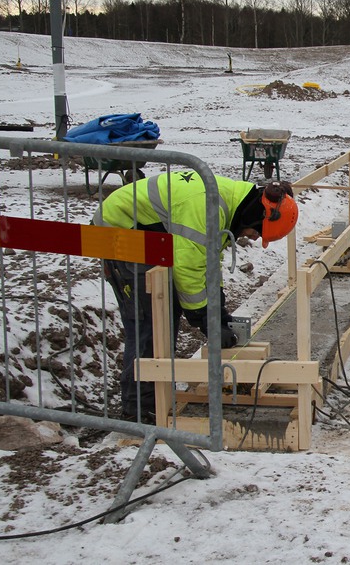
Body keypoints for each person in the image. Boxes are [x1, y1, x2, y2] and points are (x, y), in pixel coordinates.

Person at [94, 172, 298, 420]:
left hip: (149, 237)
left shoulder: (226, 206)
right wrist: (206, 320)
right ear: (257, 215)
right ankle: (140, 409)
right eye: (257, 232)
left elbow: (207, 264)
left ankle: (154, 395)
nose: (252, 237)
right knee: (152, 320)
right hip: (121, 234)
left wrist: (219, 313)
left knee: (165, 312)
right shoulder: (206, 207)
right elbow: (188, 269)